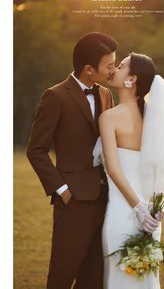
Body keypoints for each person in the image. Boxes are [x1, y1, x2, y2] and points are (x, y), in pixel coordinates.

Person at [26, 32, 118, 289]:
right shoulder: (55, 97)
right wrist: (62, 190)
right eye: (109, 65)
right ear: (89, 69)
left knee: (95, 275)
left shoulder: (107, 95)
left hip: (107, 199)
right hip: (73, 201)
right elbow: (36, 150)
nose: (113, 70)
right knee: (63, 273)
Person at [93, 53, 164, 288]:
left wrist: (137, 209)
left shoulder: (109, 118)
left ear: (132, 79)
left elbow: (114, 170)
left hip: (124, 213)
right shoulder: (153, 118)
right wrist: (152, 209)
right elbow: (159, 168)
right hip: (150, 218)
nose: (115, 68)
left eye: (122, 65)